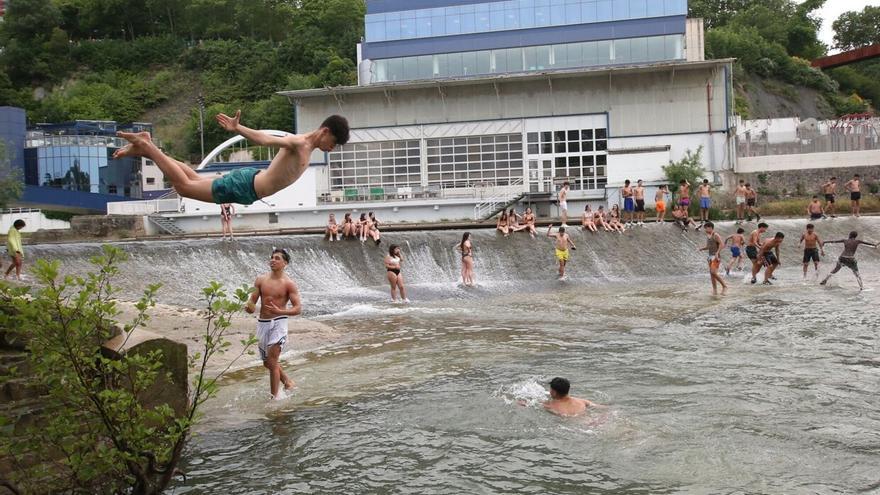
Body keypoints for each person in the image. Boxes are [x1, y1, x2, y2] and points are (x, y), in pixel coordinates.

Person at [114, 112, 349, 205]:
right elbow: (264, 140)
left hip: (249, 184)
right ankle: (146, 146)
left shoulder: (307, 148)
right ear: (325, 131)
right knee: (185, 187)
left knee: (193, 178)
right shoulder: (300, 143)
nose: (332, 148)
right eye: (334, 143)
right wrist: (238, 128)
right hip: (246, 186)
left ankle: (147, 147)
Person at [245, 248, 301, 400]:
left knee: (272, 361)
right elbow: (252, 302)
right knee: (267, 363)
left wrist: (281, 311)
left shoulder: (289, 284)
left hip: (279, 323)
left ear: (285, 263)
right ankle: (288, 382)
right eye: (272, 257)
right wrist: (249, 307)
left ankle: (274, 398)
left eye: (277, 258)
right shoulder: (261, 280)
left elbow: (297, 309)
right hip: (263, 323)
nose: (273, 260)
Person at [699, 222, 727, 295]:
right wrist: (702, 248)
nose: (705, 229)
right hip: (710, 256)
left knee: (713, 272)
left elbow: (722, 244)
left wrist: (717, 253)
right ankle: (715, 290)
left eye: (706, 228)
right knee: (712, 275)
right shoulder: (708, 236)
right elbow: (708, 246)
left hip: (716, 256)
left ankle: (724, 286)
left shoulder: (715, 235)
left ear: (710, 227)